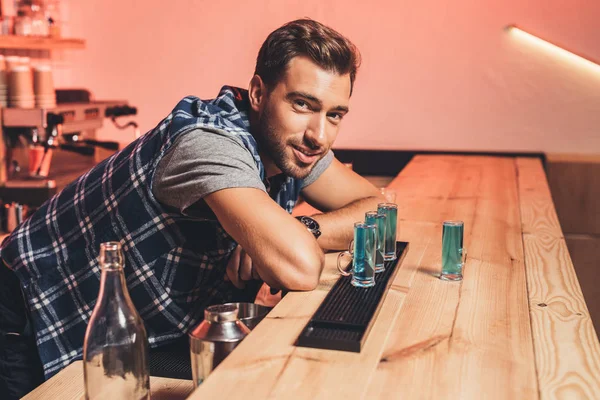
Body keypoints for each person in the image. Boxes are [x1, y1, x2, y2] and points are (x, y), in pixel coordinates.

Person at [0, 18, 385, 397]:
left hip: (144, 330)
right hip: (29, 314)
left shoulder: (297, 144)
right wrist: (283, 240)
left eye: (334, 114)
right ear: (257, 93)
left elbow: (380, 213)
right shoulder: (209, 143)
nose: (319, 134)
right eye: (302, 104)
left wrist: (302, 227)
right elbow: (299, 267)